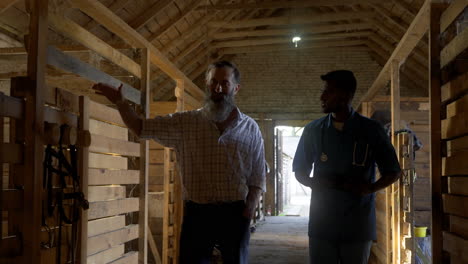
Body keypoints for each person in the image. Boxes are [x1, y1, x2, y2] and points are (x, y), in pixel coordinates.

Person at [93, 61, 266, 264]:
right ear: (207, 84)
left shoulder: (250, 128)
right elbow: (141, 127)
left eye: (225, 83)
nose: (218, 88)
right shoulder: (185, 123)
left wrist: (249, 209)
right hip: (198, 214)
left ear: (236, 88)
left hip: (235, 213)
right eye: (213, 82)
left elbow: (258, 173)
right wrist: (121, 103)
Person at [292, 70, 401, 264]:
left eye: (329, 91)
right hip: (322, 225)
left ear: (346, 96)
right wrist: (314, 182)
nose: (322, 96)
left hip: (358, 226)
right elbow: (299, 170)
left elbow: (393, 171)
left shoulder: (371, 130)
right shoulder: (313, 131)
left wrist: (369, 188)